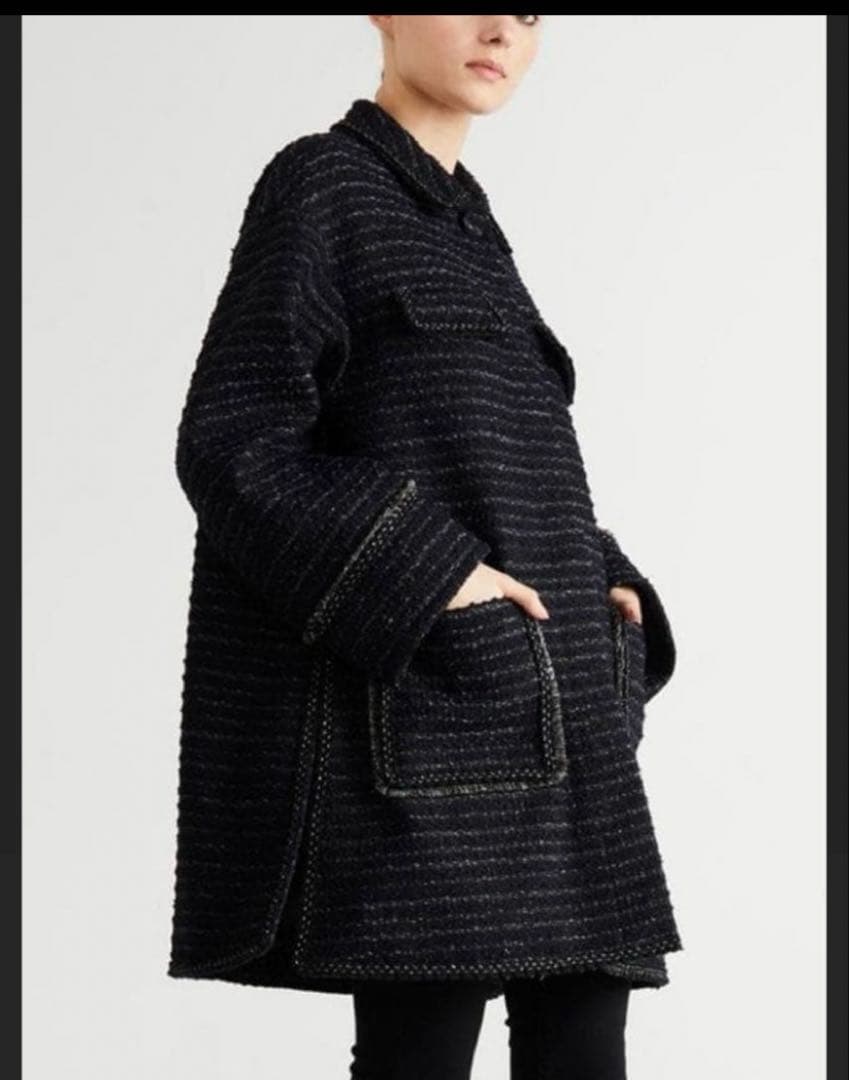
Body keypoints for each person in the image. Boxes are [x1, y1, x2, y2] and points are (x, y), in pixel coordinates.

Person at [167, 15, 682, 1080]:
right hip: (437, 724)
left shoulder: (471, 226)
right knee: (422, 1055)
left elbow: (488, 467)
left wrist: (606, 577)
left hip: (562, 723)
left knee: (587, 1047)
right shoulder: (323, 184)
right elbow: (235, 439)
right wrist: (432, 575)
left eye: (529, 13)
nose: (502, 30)